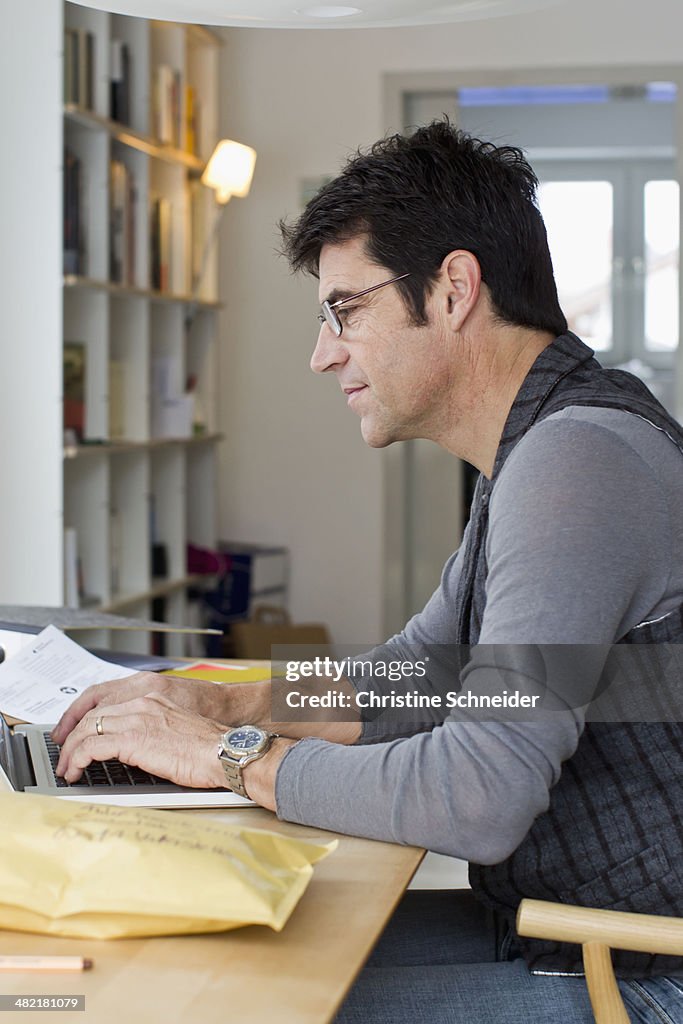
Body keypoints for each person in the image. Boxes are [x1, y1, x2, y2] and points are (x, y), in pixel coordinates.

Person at [52, 121, 683, 1023]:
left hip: (642, 979)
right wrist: (227, 704)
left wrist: (228, 758)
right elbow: (422, 676)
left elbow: (478, 794)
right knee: (198, 959)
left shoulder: (577, 461)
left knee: (197, 1004)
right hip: (572, 933)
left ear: (454, 289)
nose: (323, 353)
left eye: (345, 309)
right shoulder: (541, 450)